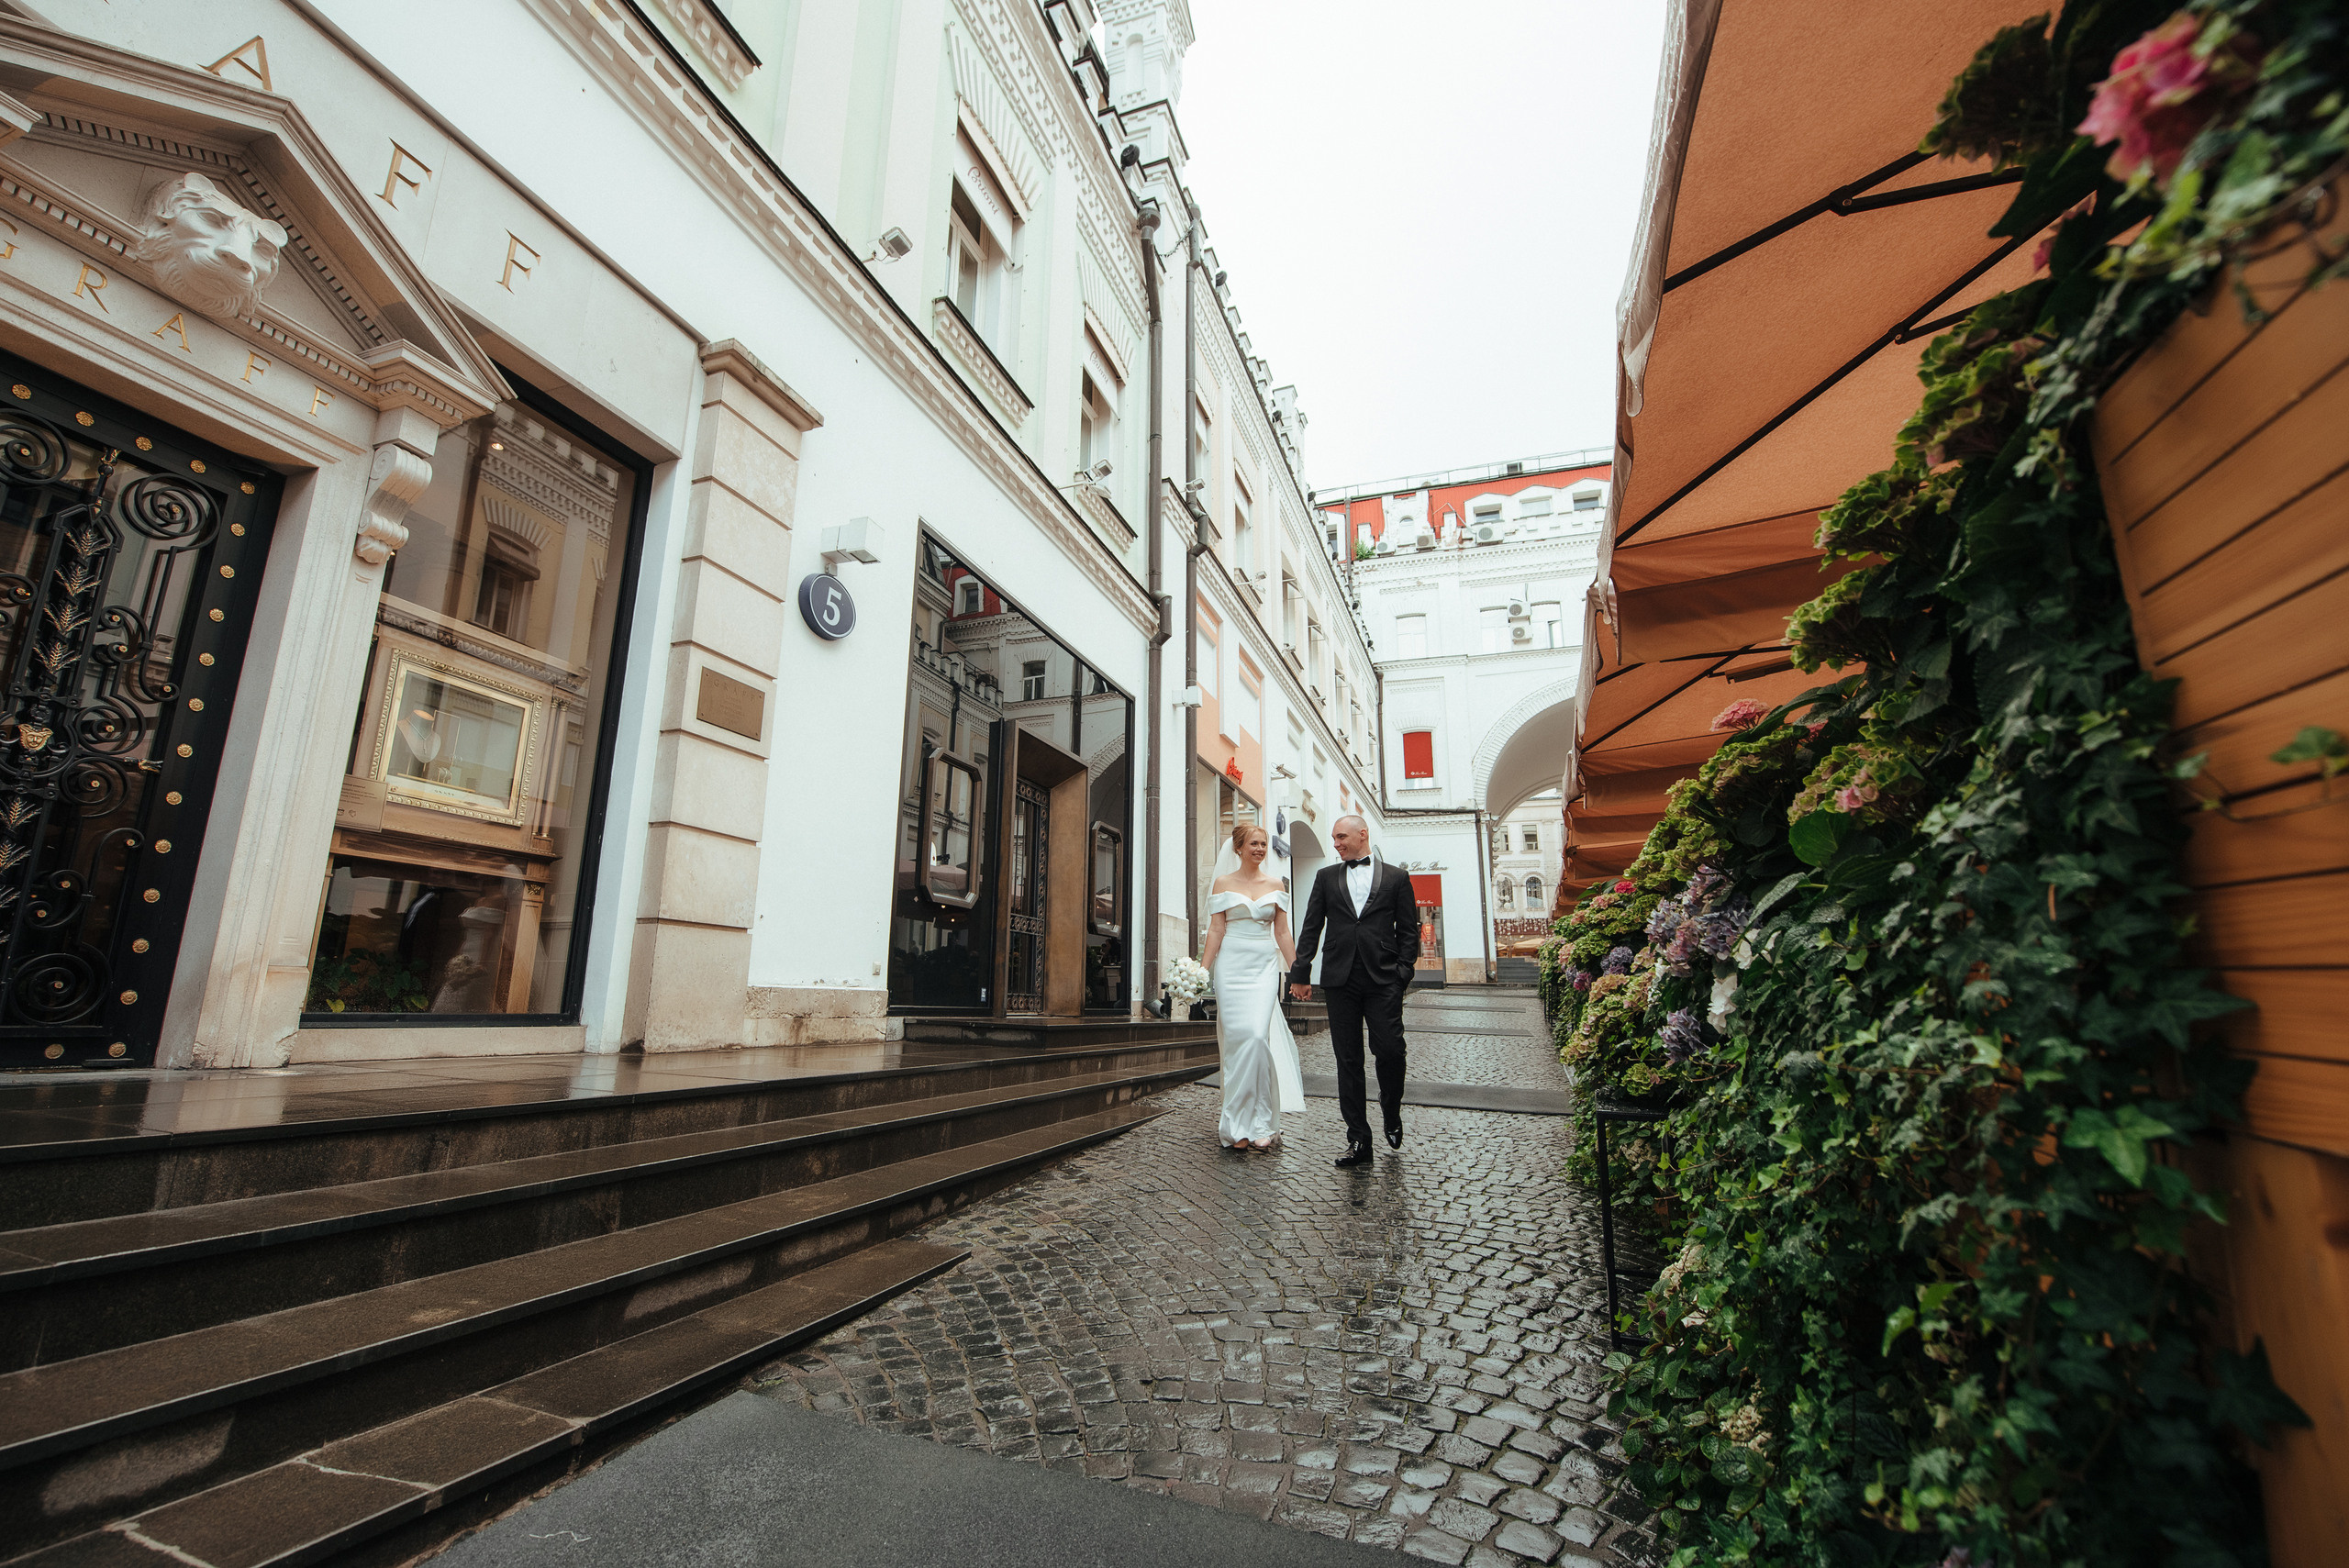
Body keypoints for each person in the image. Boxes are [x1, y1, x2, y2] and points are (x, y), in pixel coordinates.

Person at [1288, 815, 1419, 1168]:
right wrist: (1300, 972)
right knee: (1348, 1061)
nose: (1336, 843)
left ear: (1363, 835)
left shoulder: (1396, 877)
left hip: (1383, 979)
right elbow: (1311, 926)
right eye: (1333, 838)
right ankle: (1359, 1140)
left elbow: (1409, 930)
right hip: (1339, 978)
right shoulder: (1325, 877)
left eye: (1341, 837)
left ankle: (1391, 1111)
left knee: (1390, 1050)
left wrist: (1402, 973)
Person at [1200, 823, 1305, 1150]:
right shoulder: (1223, 883)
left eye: (1263, 844)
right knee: (1237, 1042)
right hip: (1231, 966)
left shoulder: (1276, 884)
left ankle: (1261, 1121)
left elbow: (1283, 933)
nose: (1260, 849)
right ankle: (1237, 1126)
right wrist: (1202, 971)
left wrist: (1298, 972)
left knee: (1258, 1038)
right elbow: (1216, 930)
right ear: (1239, 848)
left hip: (1262, 966)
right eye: (1254, 844)